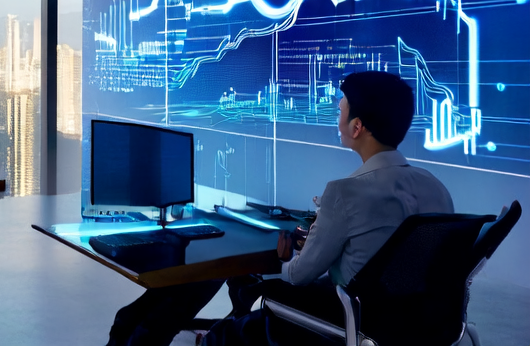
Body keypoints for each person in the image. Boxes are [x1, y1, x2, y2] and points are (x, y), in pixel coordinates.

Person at [106, 71, 453, 346]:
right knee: (241, 289)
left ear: (357, 127)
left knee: (241, 299)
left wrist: (290, 258)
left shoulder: (345, 193)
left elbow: (299, 276)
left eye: (341, 109)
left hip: (342, 323)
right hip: (416, 325)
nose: (338, 114)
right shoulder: (438, 190)